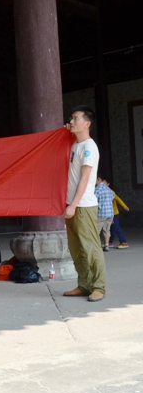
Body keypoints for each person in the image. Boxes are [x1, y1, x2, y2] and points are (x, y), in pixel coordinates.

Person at [63, 105, 106, 302]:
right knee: (76, 248)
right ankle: (84, 284)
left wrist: (73, 205)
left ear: (87, 123)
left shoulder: (89, 147)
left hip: (83, 205)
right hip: (71, 204)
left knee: (90, 247)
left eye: (75, 118)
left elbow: (85, 179)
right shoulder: (74, 144)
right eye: (71, 118)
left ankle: (98, 286)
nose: (71, 122)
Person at [94, 175, 114, 252]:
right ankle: (106, 245)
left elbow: (94, 200)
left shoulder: (98, 189)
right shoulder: (109, 189)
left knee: (96, 230)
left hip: (101, 213)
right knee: (107, 230)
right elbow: (112, 197)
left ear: (98, 179)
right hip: (110, 213)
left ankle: (97, 246)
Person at [108, 180, 129, 249]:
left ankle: (123, 242)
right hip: (110, 213)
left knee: (116, 227)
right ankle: (110, 242)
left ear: (108, 184)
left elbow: (118, 199)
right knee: (112, 228)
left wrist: (125, 206)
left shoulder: (111, 192)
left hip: (114, 213)